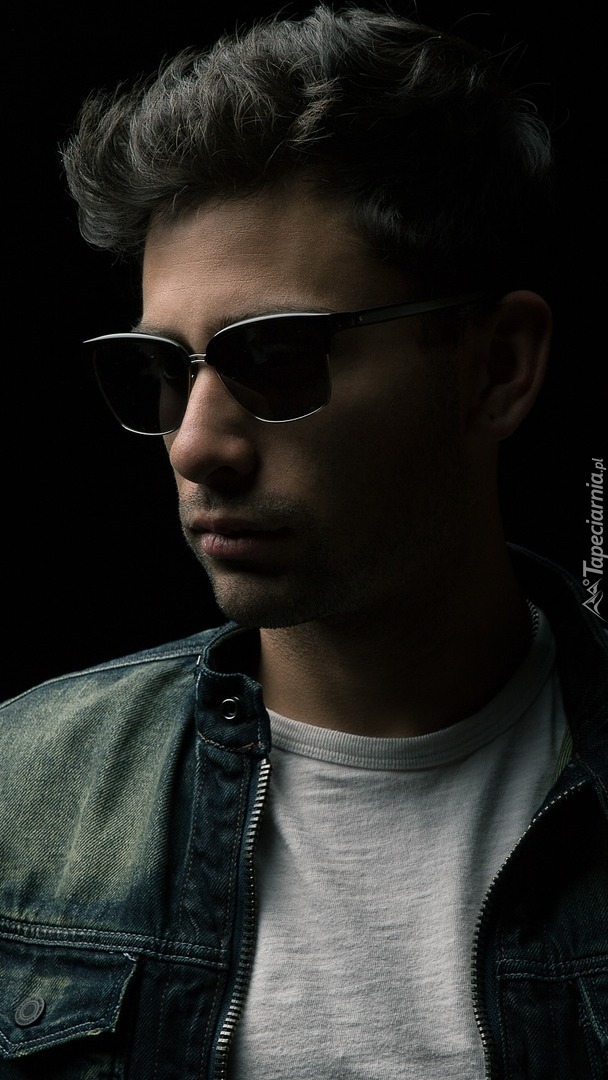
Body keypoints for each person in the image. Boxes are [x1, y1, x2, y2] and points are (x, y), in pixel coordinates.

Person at [1, 5, 606, 1078]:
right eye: (162, 369)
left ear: (497, 367)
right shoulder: (22, 795)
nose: (197, 445)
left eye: (277, 358)